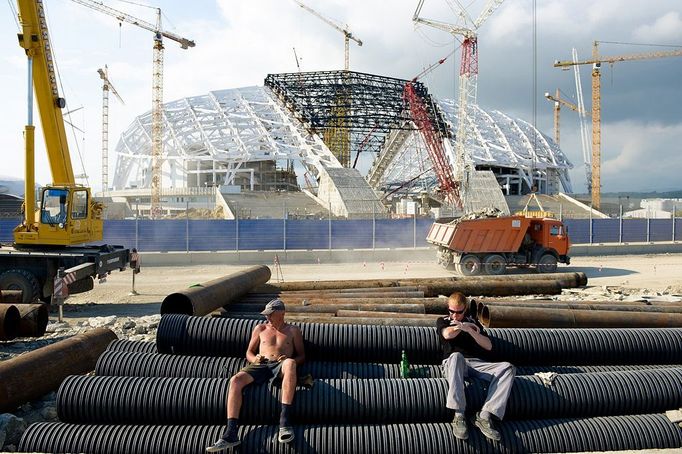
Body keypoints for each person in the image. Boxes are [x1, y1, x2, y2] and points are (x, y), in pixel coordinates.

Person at [206, 299, 305, 452]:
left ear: (282, 313)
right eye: (266, 315)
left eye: (270, 314)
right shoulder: (260, 328)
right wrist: (254, 359)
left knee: (291, 363)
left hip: (281, 365)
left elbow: (302, 356)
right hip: (261, 364)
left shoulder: (293, 331)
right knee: (235, 380)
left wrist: (288, 359)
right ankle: (231, 432)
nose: (268, 318)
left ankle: (284, 422)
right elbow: (249, 352)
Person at [437, 292, 515, 442]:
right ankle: (459, 415)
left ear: (465, 309)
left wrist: (470, 330)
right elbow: (447, 335)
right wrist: (462, 326)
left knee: (507, 368)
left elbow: (488, 345)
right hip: (454, 362)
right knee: (457, 356)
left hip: (476, 363)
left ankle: (485, 415)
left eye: (458, 312)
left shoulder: (474, 323)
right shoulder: (443, 321)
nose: (454, 315)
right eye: (451, 311)